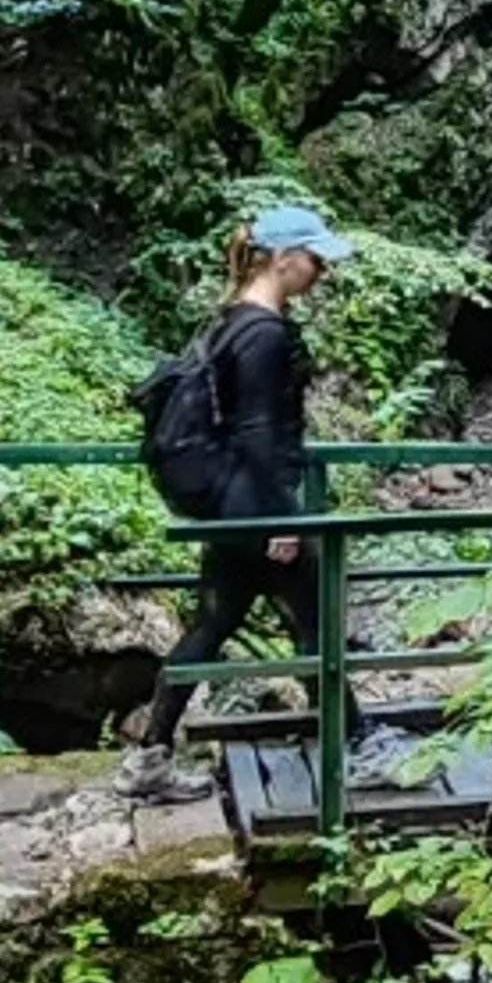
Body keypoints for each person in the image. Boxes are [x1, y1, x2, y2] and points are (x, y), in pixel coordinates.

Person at [125, 200, 351, 782]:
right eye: (313, 259)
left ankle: (150, 755)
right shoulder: (264, 334)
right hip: (254, 502)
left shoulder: (230, 320)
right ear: (281, 258)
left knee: (213, 624)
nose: (320, 271)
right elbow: (256, 432)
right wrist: (282, 520)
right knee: (314, 617)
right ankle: (358, 744)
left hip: (231, 500)